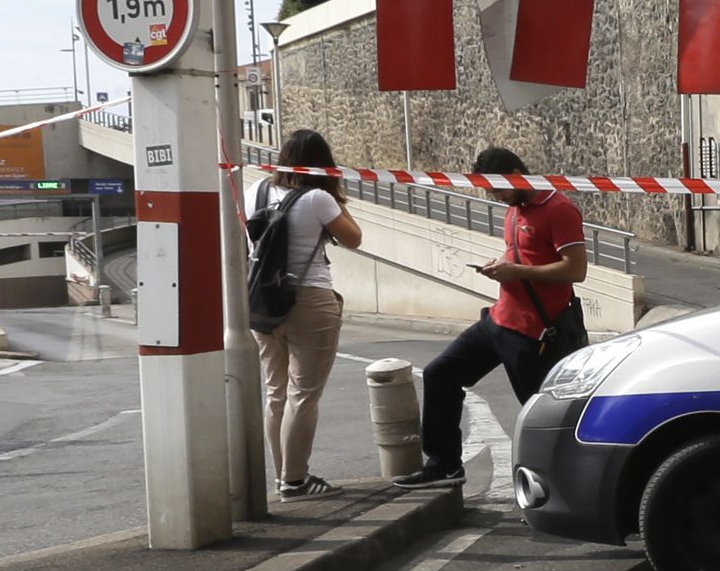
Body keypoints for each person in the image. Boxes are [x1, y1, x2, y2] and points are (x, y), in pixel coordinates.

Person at [390, 147, 589, 490]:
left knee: (541, 412)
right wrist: (500, 267)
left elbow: (576, 269)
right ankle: (444, 464)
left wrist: (516, 270)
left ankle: (573, 482)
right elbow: (520, 255)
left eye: (496, 188)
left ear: (515, 173)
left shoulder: (559, 209)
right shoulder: (513, 210)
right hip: (498, 320)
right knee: (440, 374)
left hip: (533, 334)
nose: (493, 196)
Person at [249, 129, 364, 499]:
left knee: (276, 393)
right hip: (310, 298)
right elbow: (353, 238)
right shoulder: (318, 198)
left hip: (263, 302)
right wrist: (333, 195)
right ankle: (295, 481)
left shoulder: (257, 191)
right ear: (324, 165)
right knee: (304, 394)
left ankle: (284, 475)